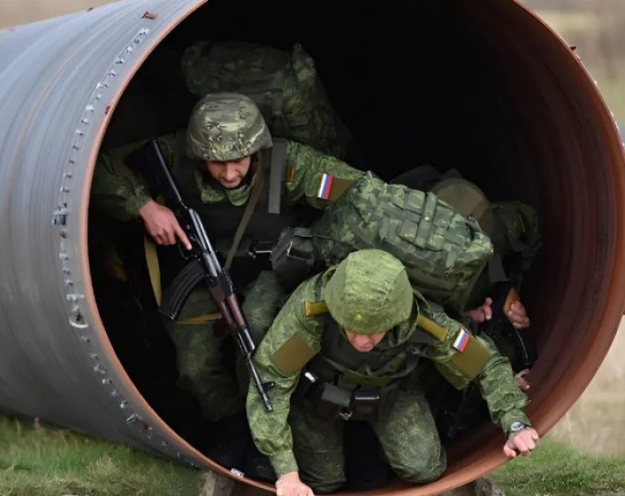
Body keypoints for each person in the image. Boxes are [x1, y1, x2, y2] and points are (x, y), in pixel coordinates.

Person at [90, 91, 368, 477]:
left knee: (256, 331)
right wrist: (144, 206)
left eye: (238, 160)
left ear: (256, 148)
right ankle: (232, 422)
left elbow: (364, 198)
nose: (228, 173)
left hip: (274, 271)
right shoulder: (174, 155)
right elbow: (98, 168)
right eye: (215, 162)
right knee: (193, 365)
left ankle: (264, 434)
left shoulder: (291, 165)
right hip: (201, 272)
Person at [245, 249, 540, 495]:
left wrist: (514, 423)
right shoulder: (312, 308)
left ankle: (370, 446)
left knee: (425, 469)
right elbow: (271, 377)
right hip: (318, 394)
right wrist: (286, 471)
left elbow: (484, 362)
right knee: (324, 482)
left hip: (391, 394)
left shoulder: (423, 320)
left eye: (374, 332)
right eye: (352, 328)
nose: (362, 341)